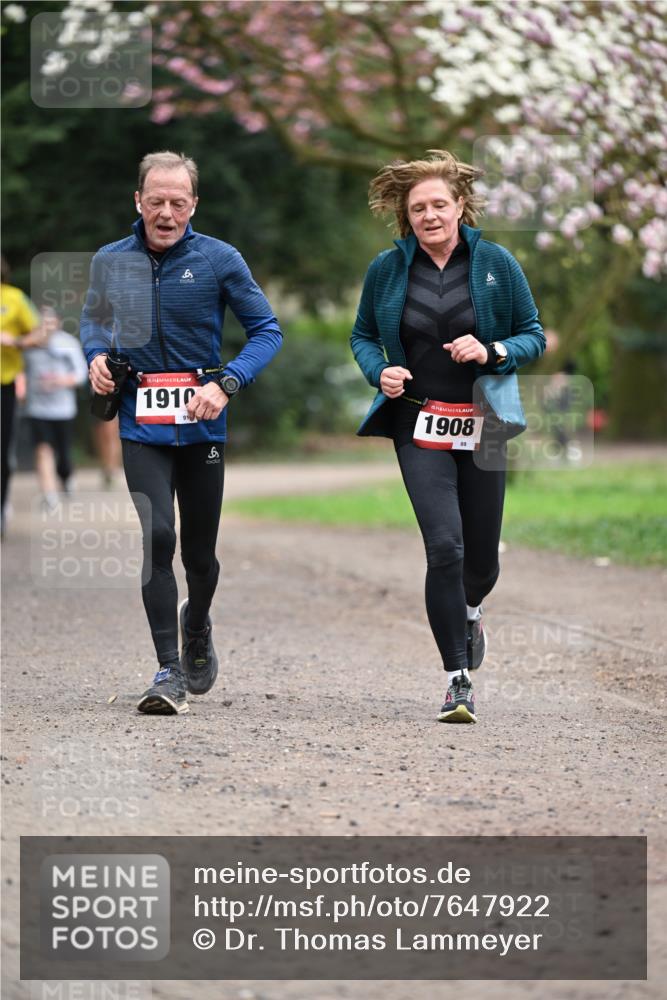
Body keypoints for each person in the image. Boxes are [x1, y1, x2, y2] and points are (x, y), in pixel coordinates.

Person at [80, 151, 283, 715]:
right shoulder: (110, 260)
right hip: (140, 420)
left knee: (199, 552)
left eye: (177, 202)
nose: (165, 213)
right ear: (137, 201)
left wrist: (228, 383)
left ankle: (197, 621)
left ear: (194, 204)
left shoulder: (219, 259)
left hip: (202, 423)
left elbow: (267, 331)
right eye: (156, 201)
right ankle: (168, 669)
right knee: (158, 539)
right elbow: (93, 321)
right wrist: (96, 356)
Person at [350, 150, 545, 724]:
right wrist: (377, 370)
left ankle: (473, 608)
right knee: (445, 547)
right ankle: (457, 680)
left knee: (480, 563)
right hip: (419, 421)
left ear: (460, 205)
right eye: (418, 208)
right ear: (405, 217)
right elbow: (363, 336)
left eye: (439, 204)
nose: (430, 215)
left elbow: (532, 334)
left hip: (483, 421)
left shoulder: (497, 264)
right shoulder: (386, 270)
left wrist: (494, 351)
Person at [23, 306, 88, 509]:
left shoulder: (68, 343)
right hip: (36, 408)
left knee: (63, 453)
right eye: (42, 321)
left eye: (50, 321)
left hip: (63, 409)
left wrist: (60, 381)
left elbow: (81, 374)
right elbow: (19, 369)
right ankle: (50, 495)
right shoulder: (27, 344)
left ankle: (66, 476)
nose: (46, 325)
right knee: (42, 449)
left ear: (58, 322)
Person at [0, 256, 42, 535]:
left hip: (4, 385)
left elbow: (40, 334)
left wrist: (15, 341)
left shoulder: (14, 298)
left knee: (2, 452)